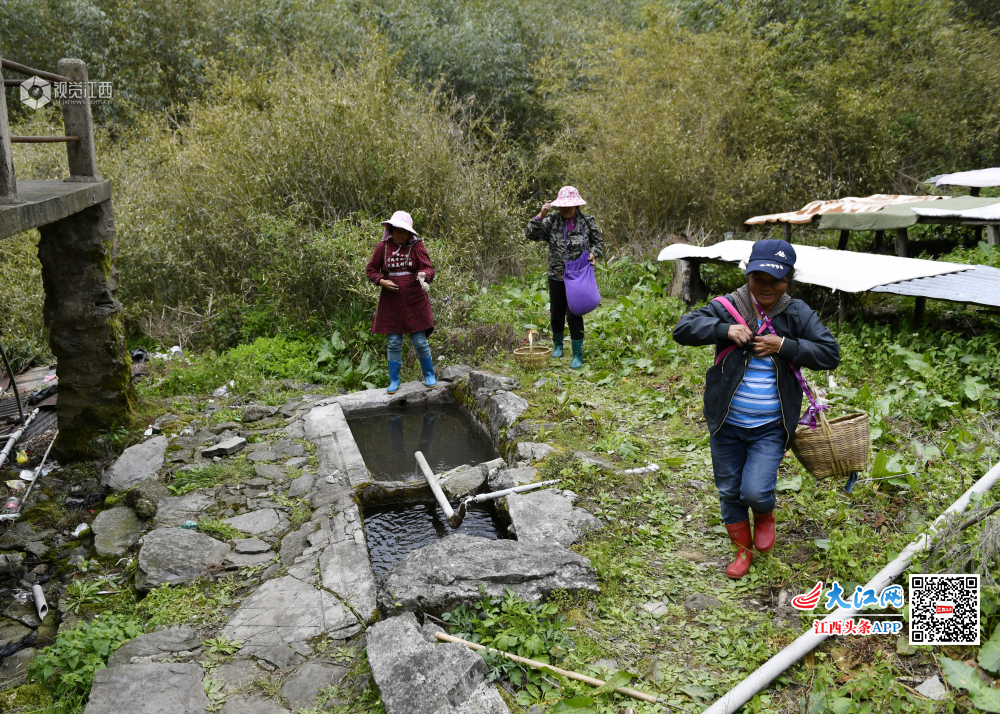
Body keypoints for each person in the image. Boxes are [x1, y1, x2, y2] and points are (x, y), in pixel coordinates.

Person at [672, 239, 840, 579]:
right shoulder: (728, 306)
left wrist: (785, 345)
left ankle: (764, 514)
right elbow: (683, 330)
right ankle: (742, 551)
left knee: (756, 490)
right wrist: (723, 329)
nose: (766, 285)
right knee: (729, 490)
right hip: (726, 423)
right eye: (758, 276)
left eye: (775, 279)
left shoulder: (796, 312)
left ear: (789, 279)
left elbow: (829, 353)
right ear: (748, 273)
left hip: (771, 426)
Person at [525, 186, 604, 369]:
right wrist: (541, 215)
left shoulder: (587, 222)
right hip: (557, 274)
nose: (566, 209)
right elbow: (530, 233)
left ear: (577, 205)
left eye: (570, 206)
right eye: (563, 206)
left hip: (578, 275)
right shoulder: (552, 221)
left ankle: (577, 353)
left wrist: (593, 254)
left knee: (574, 313)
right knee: (556, 312)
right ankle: (558, 345)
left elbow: (598, 243)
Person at [366, 211, 436, 393]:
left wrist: (423, 275)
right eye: (397, 230)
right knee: (394, 342)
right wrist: (382, 281)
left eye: (404, 231)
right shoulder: (383, 247)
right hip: (391, 302)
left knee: (420, 341)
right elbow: (371, 269)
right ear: (391, 229)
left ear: (409, 233)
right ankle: (394, 381)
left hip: (415, 300)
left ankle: (429, 375)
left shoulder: (417, 246)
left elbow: (429, 268)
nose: (400, 234)